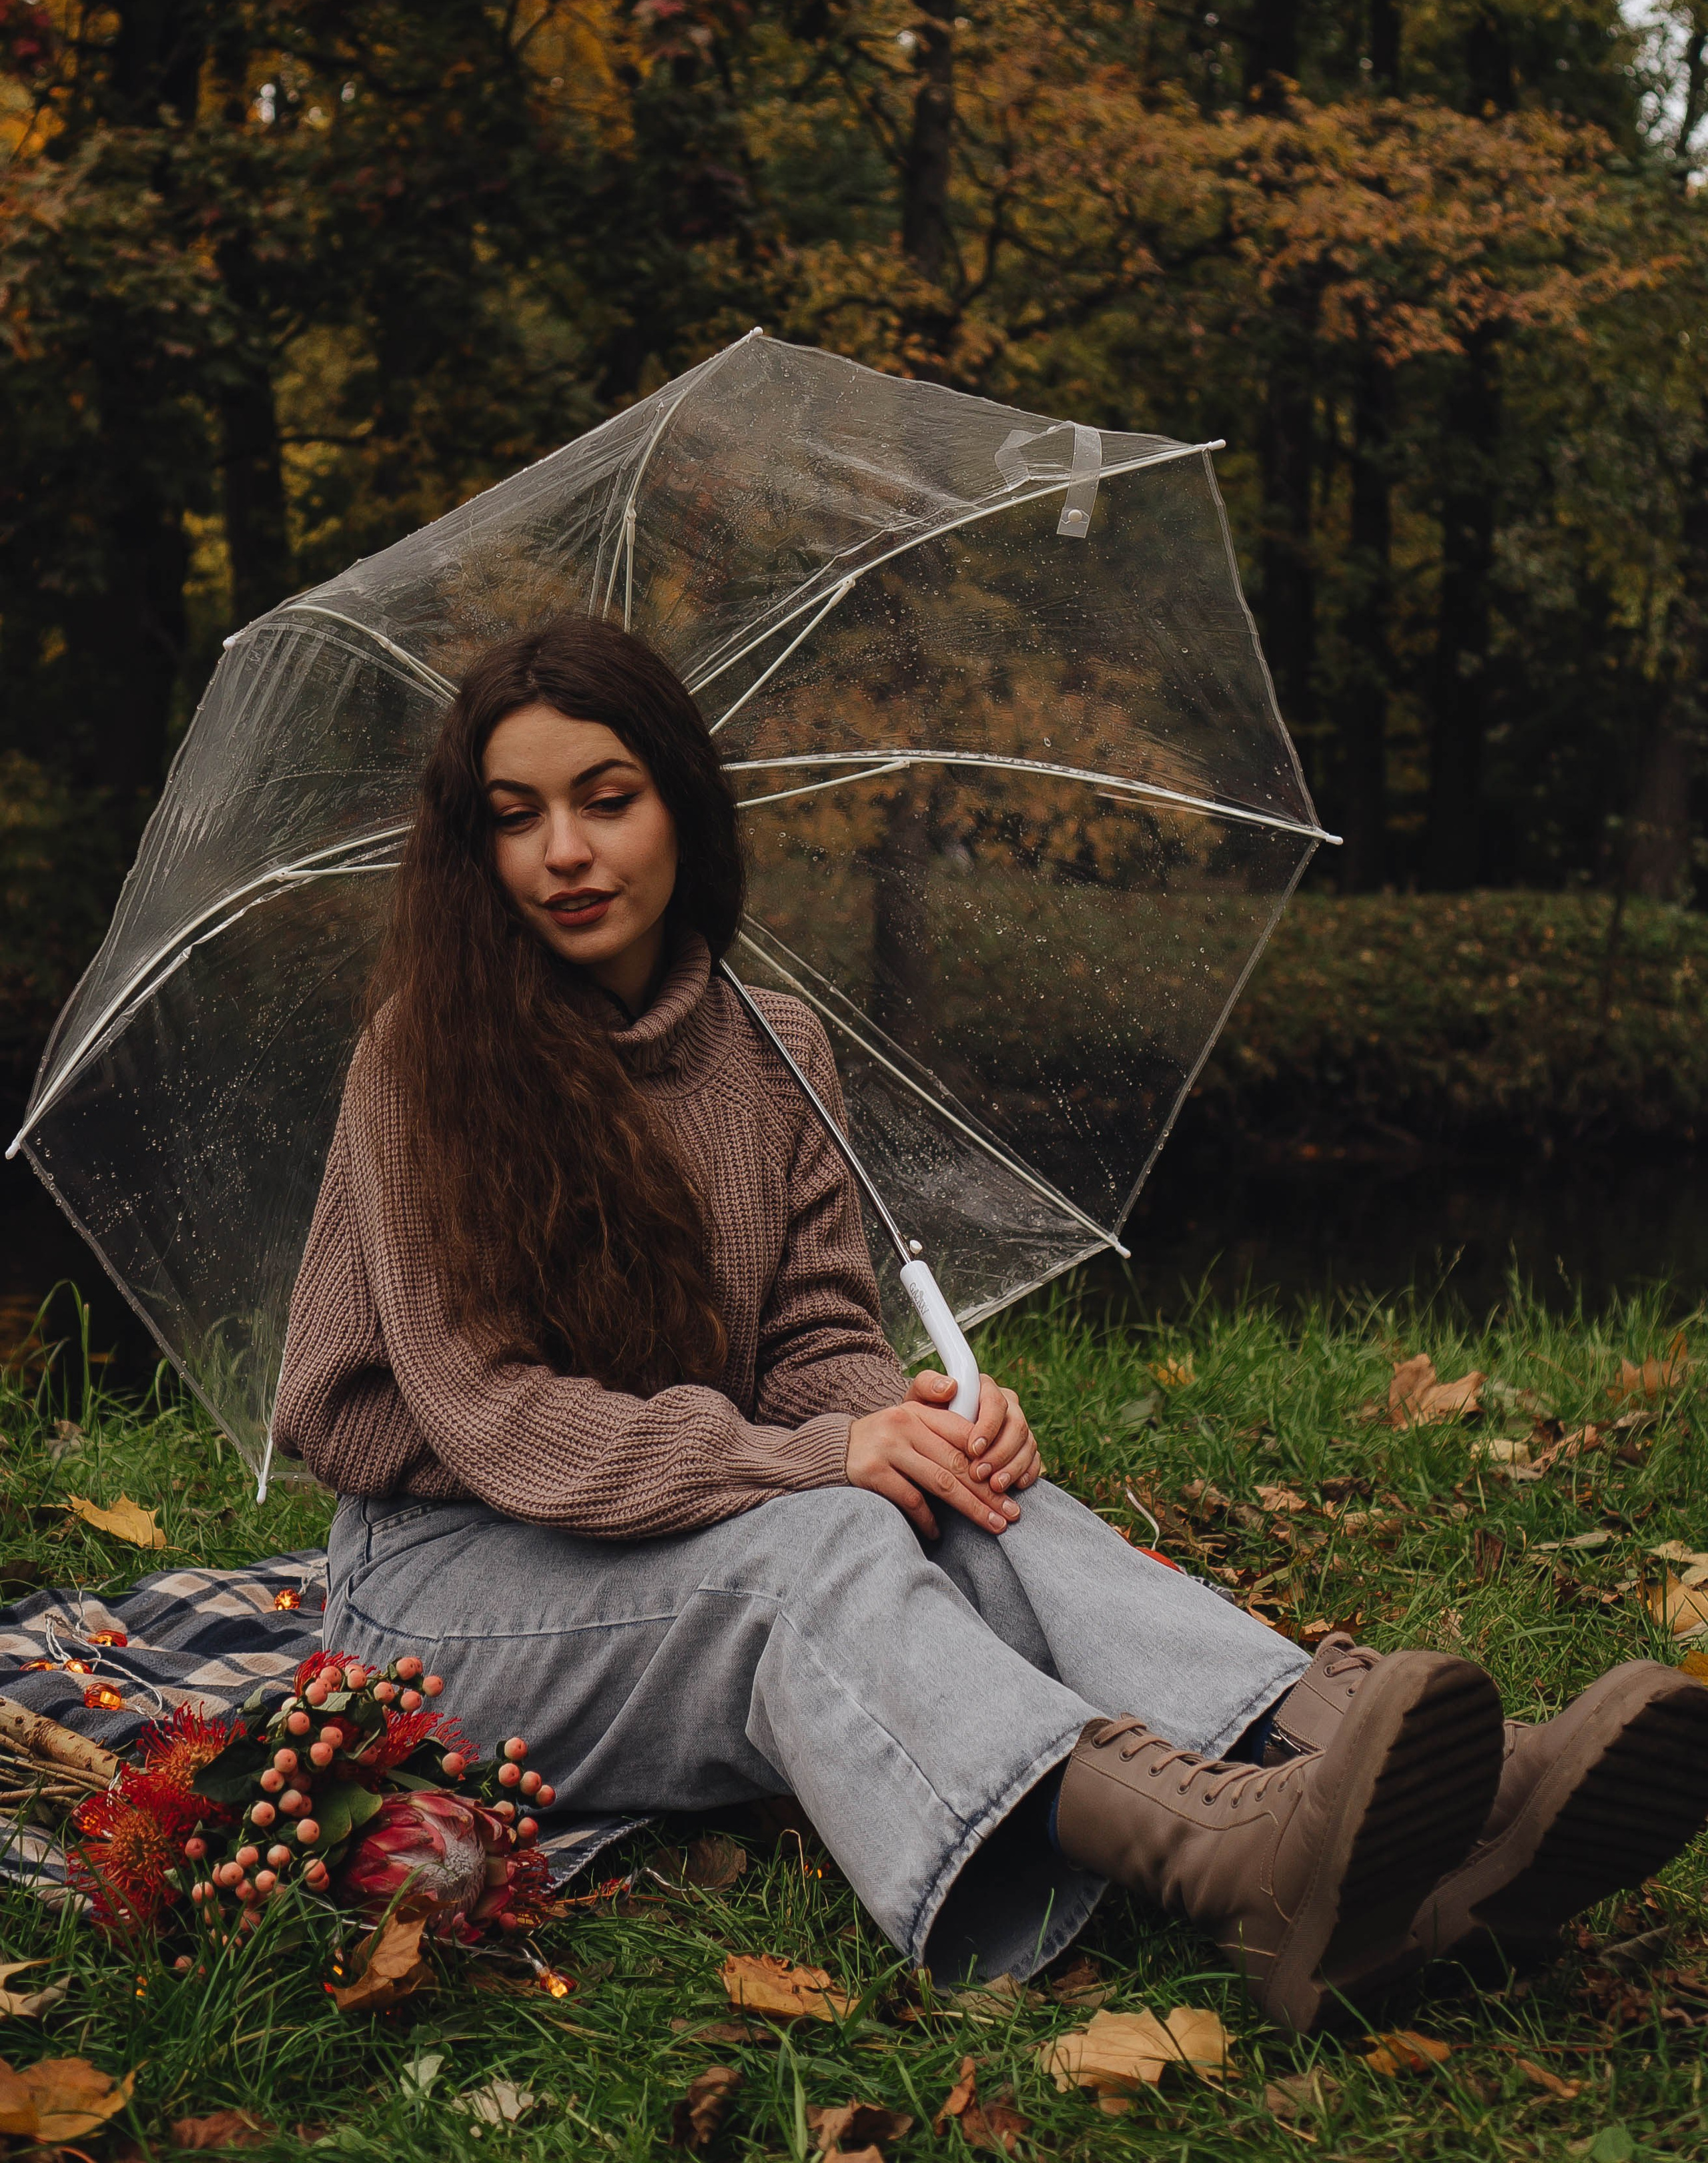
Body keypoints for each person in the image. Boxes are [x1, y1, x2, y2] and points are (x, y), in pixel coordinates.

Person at [276, 617, 1708, 2032]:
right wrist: (820, 1461)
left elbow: (808, 1352)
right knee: (816, 1539)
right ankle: (1217, 1852)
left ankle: (1409, 1791)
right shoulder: (426, 1059)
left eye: (606, 798)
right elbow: (493, 1417)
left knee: (975, 1500)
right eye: (517, 818)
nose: (565, 854)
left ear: (680, 806)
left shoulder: (773, 1046)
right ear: (477, 849)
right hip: (449, 1591)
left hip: (676, 1523)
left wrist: (902, 1422)